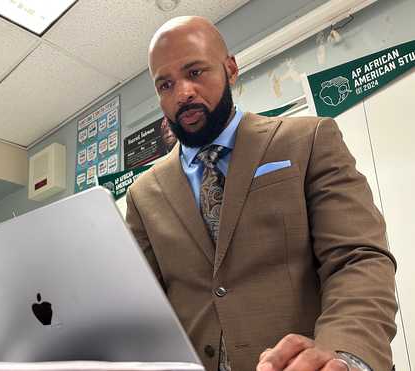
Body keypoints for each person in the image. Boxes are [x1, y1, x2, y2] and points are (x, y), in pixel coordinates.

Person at [125, 16, 397, 371]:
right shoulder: (142, 194)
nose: (183, 93)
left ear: (230, 68)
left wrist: (343, 354)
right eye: (165, 84)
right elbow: (143, 308)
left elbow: (357, 259)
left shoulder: (308, 139)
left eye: (195, 73)